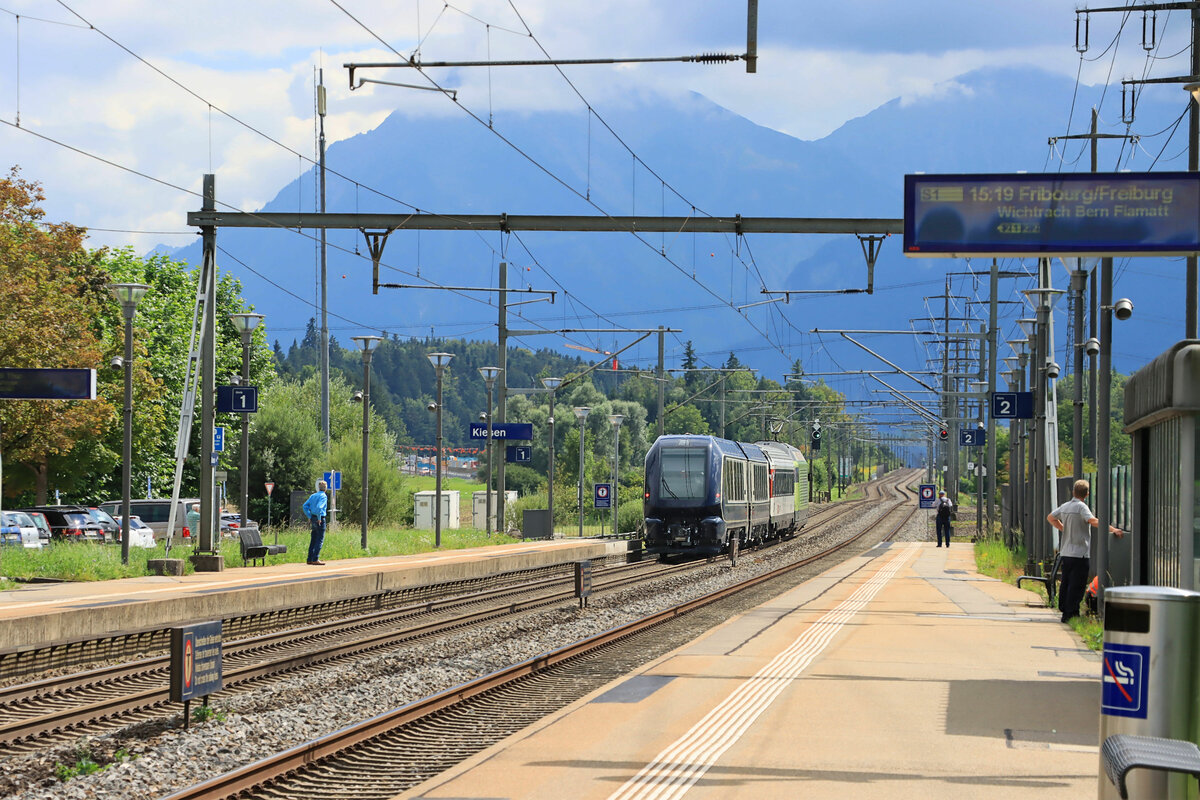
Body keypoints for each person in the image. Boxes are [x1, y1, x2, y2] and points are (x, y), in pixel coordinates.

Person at [1046, 479, 1124, 623]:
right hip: (1080, 554)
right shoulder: (1082, 507)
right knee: (1077, 584)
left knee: (1066, 582)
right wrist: (1112, 529)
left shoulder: (1065, 506)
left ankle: (1064, 608)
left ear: (1073, 492)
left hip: (1066, 553)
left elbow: (1050, 518)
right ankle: (1071, 613)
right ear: (1087, 494)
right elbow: (1093, 521)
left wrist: (1063, 528)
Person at [302, 480, 329, 565]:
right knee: (320, 539)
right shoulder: (323, 496)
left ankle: (309, 559)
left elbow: (304, 506)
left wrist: (309, 516)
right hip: (319, 519)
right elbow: (319, 507)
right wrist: (319, 517)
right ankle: (315, 558)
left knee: (313, 538)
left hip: (313, 518)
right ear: (326, 488)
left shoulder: (313, 495)